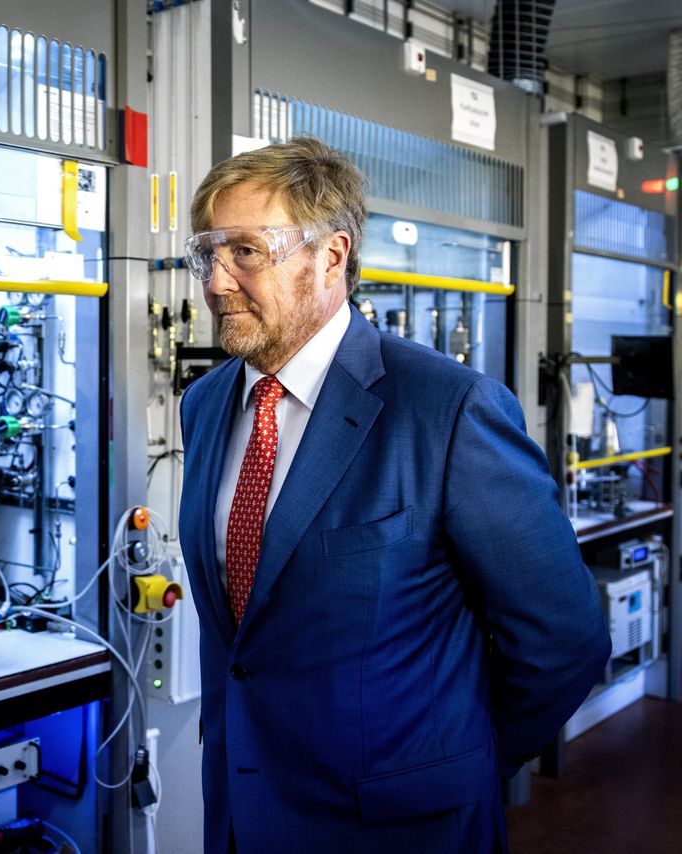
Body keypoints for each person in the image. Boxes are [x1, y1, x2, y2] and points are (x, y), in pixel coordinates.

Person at [176, 137, 609, 853]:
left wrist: (458, 763)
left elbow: (564, 640)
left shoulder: (447, 409)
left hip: (404, 826)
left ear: (331, 255)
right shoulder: (208, 404)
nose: (217, 282)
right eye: (208, 254)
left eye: (247, 251)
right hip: (241, 812)